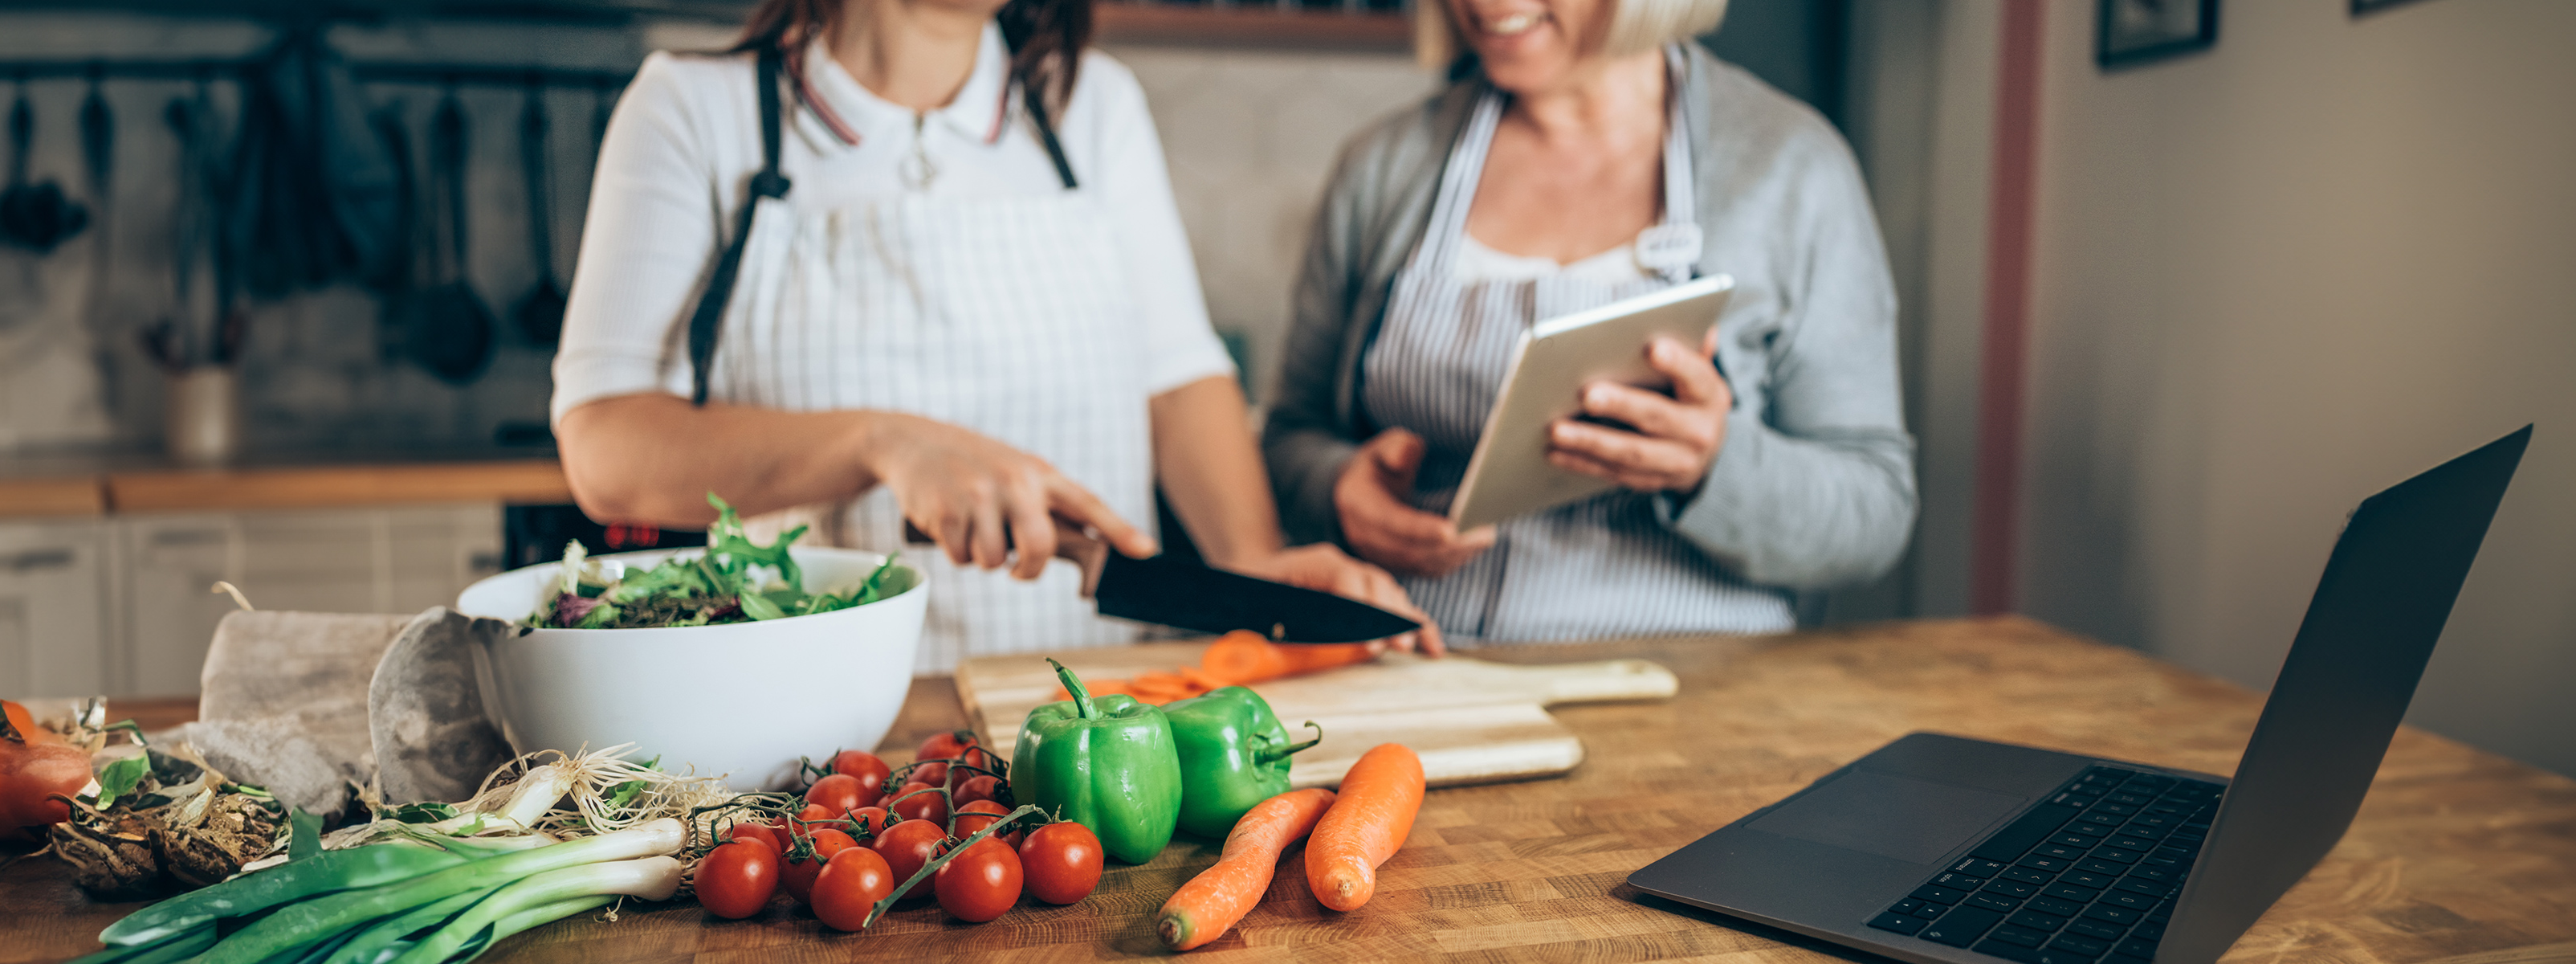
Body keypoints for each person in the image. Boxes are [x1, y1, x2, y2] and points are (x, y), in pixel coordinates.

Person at [555, 0, 1433, 672]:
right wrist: (883, 444)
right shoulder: (693, 111)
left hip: (1076, 707)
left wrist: (1253, 568)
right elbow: (607, 451)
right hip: (802, 719)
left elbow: (1175, 375)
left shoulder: (1088, 106)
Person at [1265, 0, 1916, 648]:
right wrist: (1338, 490)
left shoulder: (1793, 169)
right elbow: (1290, 436)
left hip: (1700, 691)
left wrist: (1715, 467)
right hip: (1420, 670)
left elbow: (1874, 512)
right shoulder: (1384, 166)